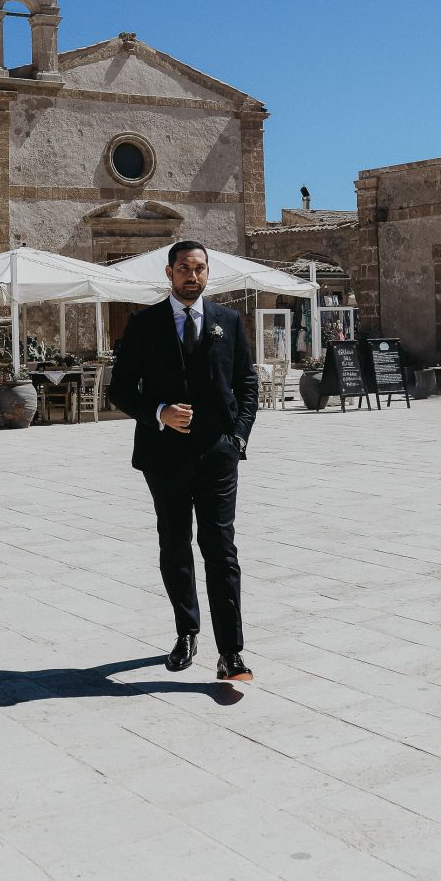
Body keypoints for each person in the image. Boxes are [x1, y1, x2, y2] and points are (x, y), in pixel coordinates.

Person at [108, 240, 260, 681]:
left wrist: (238, 438)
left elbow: (246, 383)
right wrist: (159, 413)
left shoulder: (228, 322)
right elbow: (120, 388)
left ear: (208, 273)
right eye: (184, 269)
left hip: (217, 456)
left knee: (221, 549)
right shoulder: (144, 324)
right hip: (164, 457)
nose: (192, 276)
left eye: (200, 268)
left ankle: (231, 652)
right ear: (170, 273)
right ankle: (187, 632)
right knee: (175, 545)